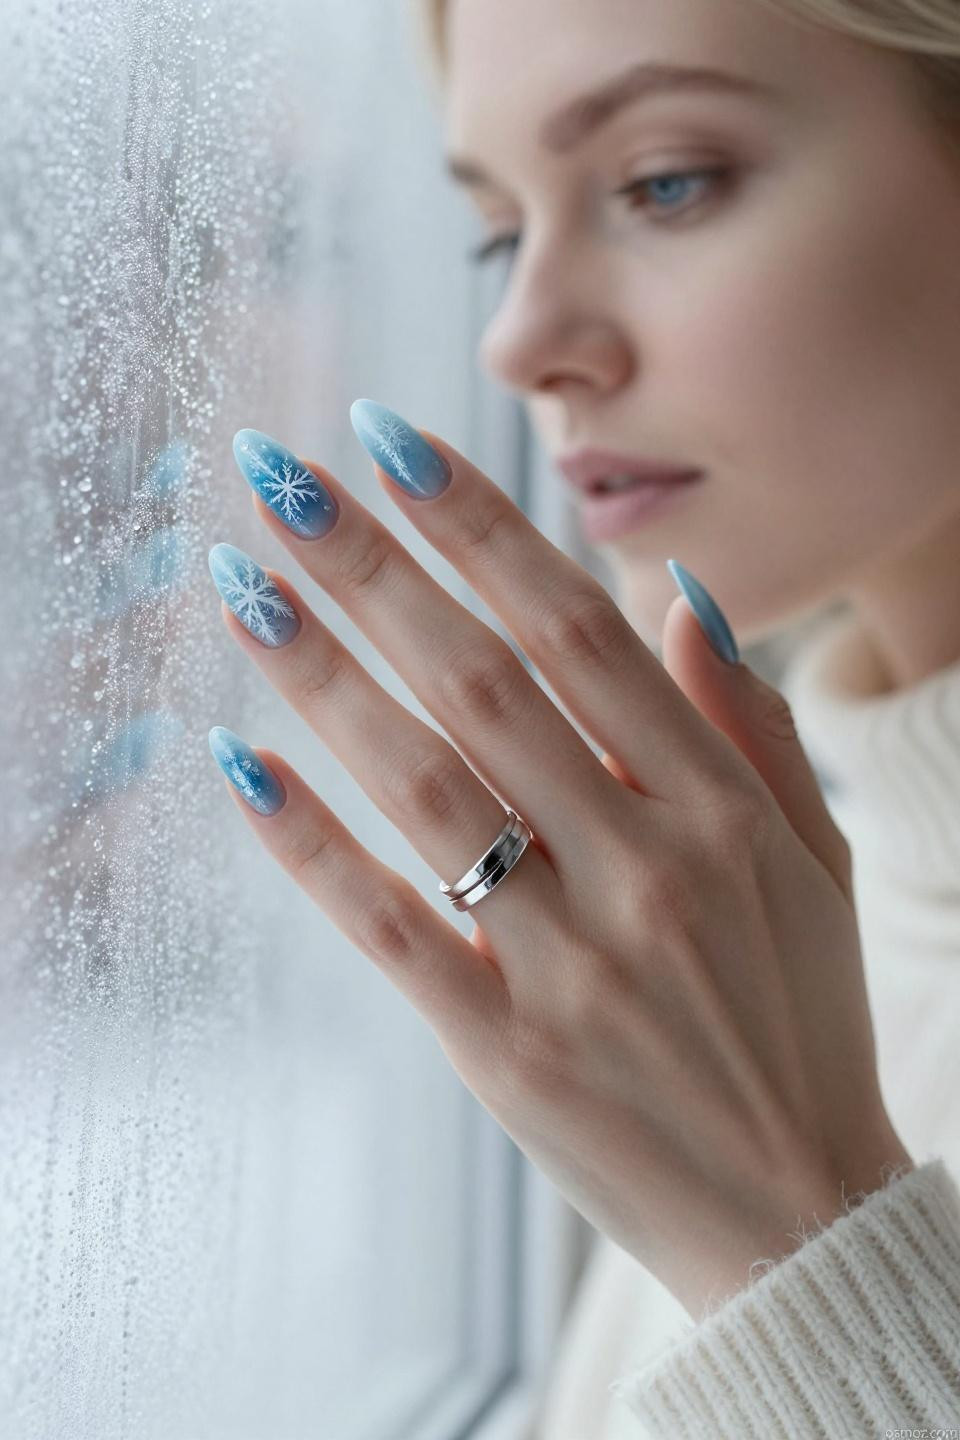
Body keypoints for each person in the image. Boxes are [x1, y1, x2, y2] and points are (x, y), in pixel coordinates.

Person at [206, 0, 960, 1435]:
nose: (516, 343)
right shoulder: (756, 938)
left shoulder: (752, 1013)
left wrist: (799, 1218)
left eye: (666, 183)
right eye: (499, 235)